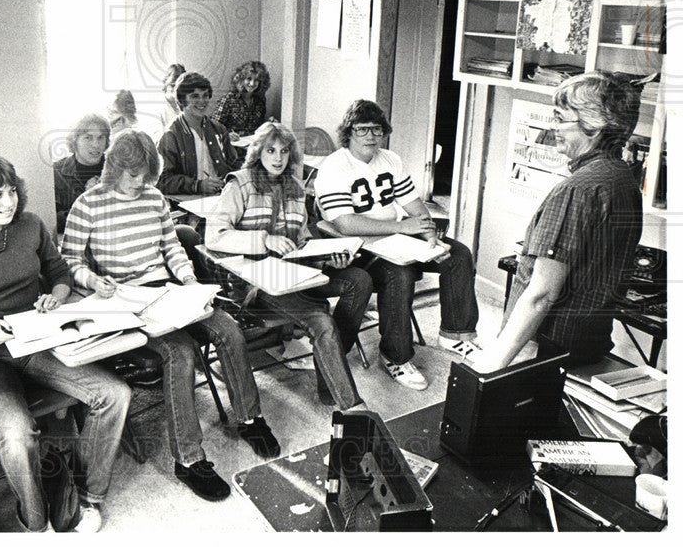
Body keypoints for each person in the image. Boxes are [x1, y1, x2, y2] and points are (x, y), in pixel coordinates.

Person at [61, 130, 280, 503]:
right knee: (178, 354)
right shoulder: (89, 203)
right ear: (114, 168)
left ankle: (249, 418)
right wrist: (94, 280)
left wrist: (189, 278)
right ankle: (189, 459)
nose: (140, 184)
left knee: (229, 331)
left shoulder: (154, 197)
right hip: (126, 300)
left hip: (166, 288)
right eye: (133, 176)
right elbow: (69, 260)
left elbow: (172, 245)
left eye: (146, 176)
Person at [0, 150, 130, 533]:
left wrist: (54, 294)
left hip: (37, 341)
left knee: (115, 394)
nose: (9, 203)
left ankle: (88, 497)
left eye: (11, 192)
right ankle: (35, 523)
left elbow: (59, 272)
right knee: (17, 432)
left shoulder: (31, 226)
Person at [472, 72, 643, 370]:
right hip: (588, 341)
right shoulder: (622, 177)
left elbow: (541, 295)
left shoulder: (578, 189)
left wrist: (491, 367)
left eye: (561, 119)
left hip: (546, 349)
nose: (554, 128)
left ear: (595, 124)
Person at [204, 121, 373, 410]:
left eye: (284, 151)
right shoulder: (240, 183)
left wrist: (326, 257)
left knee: (360, 279)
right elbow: (214, 236)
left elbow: (304, 241)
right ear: (258, 151)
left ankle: (329, 363)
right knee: (322, 321)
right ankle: (353, 408)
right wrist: (265, 240)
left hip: (296, 275)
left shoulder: (295, 188)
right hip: (256, 281)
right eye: (270, 150)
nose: (278, 158)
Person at [315, 100, 480, 391]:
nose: (370, 136)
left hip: (396, 239)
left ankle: (454, 334)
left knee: (457, 254)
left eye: (376, 129)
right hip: (358, 247)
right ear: (349, 133)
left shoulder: (390, 159)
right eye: (362, 129)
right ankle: (396, 356)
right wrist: (402, 226)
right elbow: (345, 224)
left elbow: (416, 207)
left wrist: (430, 235)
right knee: (398, 275)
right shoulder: (334, 166)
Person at [157, 71, 242, 195]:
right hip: (189, 202)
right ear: (182, 100)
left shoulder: (219, 129)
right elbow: (161, 180)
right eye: (195, 96)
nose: (202, 101)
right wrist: (197, 185)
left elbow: (234, 164)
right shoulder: (170, 136)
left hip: (222, 195)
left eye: (205, 95)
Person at [52, 113, 110, 234]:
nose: (96, 144)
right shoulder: (56, 173)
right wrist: (87, 198)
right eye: (88, 137)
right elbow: (53, 220)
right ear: (75, 141)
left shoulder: (118, 169)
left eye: (101, 137)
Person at [212, 60, 270, 140]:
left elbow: (259, 126)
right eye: (249, 79)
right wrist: (227, 134)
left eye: (256, 80)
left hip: (252, 145)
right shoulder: (228, 99)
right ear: (241, 80)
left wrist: (269, 123)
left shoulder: (260, 101)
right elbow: (214, 125)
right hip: (232, 146)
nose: (252, 84)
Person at [154, 63, 187, 135]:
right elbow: (157, 137)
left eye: (180, 86)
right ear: (165, 84)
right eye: (173, 85)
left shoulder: (186, 106)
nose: (176, 90)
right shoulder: (156, 108)